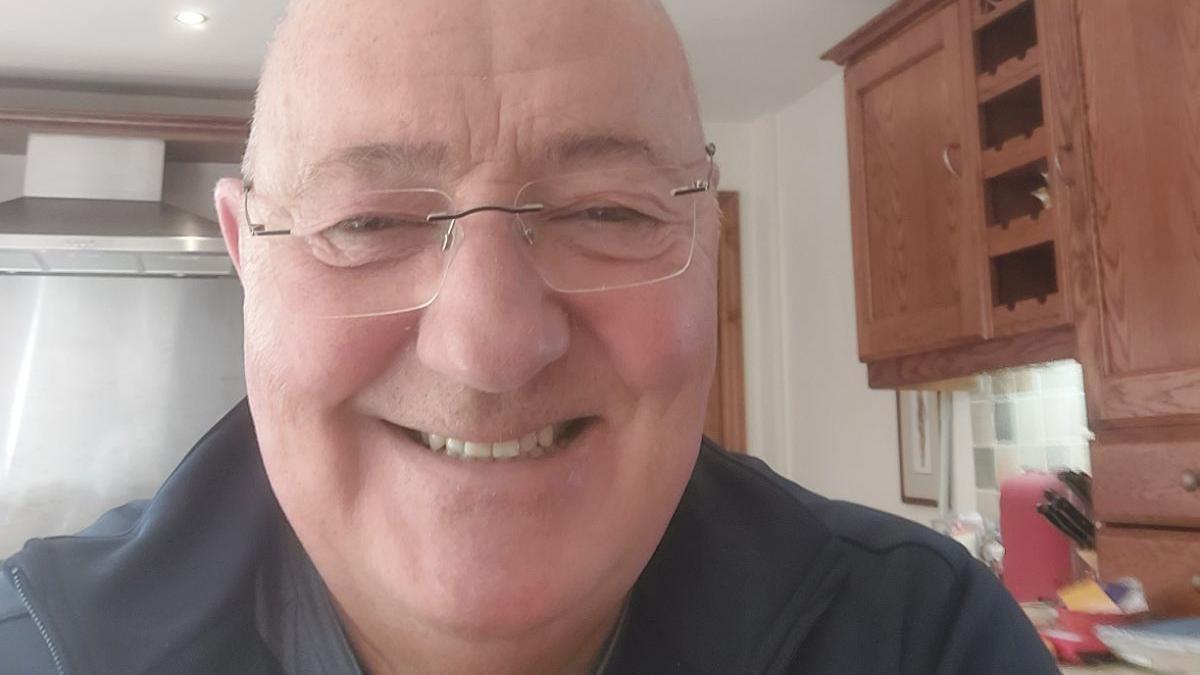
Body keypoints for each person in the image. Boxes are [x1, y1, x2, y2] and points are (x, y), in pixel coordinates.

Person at [0, 0, 1059, 672]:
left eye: (608, 212)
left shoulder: (927, 640)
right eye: (368, 221)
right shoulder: (39, 649)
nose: (490, 344)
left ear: (707, 237)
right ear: (247, 256)